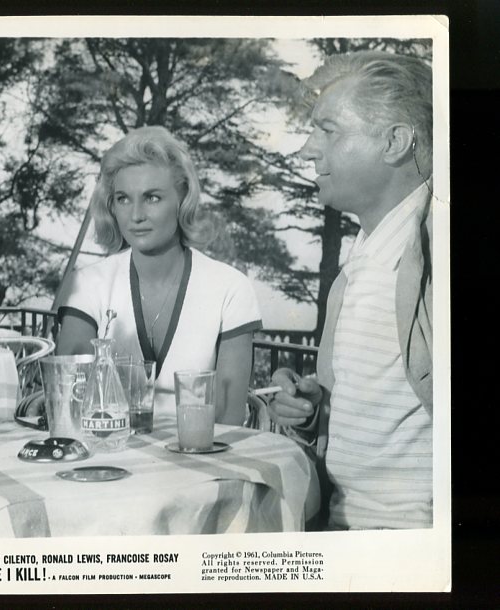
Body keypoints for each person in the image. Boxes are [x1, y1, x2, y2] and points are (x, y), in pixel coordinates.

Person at [267, 51, 433, 530]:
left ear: (395, 142)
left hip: (409, 541)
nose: (307, 150)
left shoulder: (436, 255)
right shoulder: (366, 254)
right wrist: (314, 410)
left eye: (329, 130)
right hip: (343, 525)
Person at [56, 126, 262, 425]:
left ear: (183, 198)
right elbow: (71, 404)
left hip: (199, 450)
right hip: (108, 446)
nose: (136, 215)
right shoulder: (88, 284)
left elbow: (228, 419)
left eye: (152, 198)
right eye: (123, 199)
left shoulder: (230, 288)